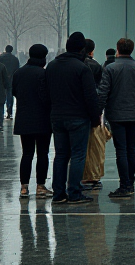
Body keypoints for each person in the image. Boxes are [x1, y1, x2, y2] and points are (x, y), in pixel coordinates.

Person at [45, 31, 102, 205]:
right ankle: (75, 192)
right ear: (82, 50)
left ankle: (58, 194)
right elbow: (91, 97)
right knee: (78, 155)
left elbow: (46, 93)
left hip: (57, 116)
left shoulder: (52, 66)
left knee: (61, 155)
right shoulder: (82, 69)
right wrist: (95, 119)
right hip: (78, 117)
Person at [98, 37, 135, 199]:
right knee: (130, 149)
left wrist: (98, 112)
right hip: (134, 114)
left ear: (117, 49)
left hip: (116, 114)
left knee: (121, 150)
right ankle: (131, 182)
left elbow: (103, 93)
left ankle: (124, 185)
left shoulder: (110, 69)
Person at [11, 43, 52, 199]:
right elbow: (46, 96)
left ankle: (24, 187)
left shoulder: (19, 73)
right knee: (42, 153)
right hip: (42, 118)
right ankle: (40, 186)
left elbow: (14, 91)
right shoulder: (43, 74)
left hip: (24, 117)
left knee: (27, 153)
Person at [81, 38, 107, 191]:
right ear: (92, 51)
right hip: (93, 110)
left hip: (75, 111)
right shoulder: (96, 66)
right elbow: (101, 89)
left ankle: (77, 177)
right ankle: (92, 176)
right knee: (95, 146)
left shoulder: (72, 64)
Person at [0, 45, 20, 120]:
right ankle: (9, 111)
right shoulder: (15, 59)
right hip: (11, 80)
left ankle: (1, 112)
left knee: (2, 96)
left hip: (2, 80)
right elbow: (17, 70)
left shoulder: (1, 58)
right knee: (10, 96)